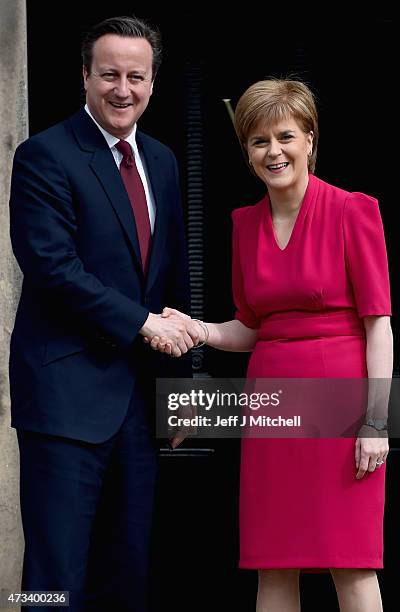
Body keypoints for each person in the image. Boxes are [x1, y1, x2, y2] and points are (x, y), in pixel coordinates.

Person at [150, 78, 393, 611]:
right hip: (271, 406)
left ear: (309, 138)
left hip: (344, 407)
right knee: (272, 562)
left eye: (285, 136)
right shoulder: (243, 224)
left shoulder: (354, 210)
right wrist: (199, 328)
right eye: (259, 142)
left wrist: (377, 422)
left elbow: (379, 326)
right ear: (247, 153)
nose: (273, 151)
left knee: (350, 561)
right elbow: (253, 327)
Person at [9, 15, 197, 612]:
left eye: (136, 76)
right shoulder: (44, 155)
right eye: (109, 74)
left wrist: (179, 395)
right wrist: (144, 324)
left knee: (129, 574)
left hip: (140, 408)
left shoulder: (163, 161)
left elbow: (170, 283)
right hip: (64, 402)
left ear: (152, 82)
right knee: (52, 579)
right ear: (85, 76)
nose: (123, 89)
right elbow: (52, 267)